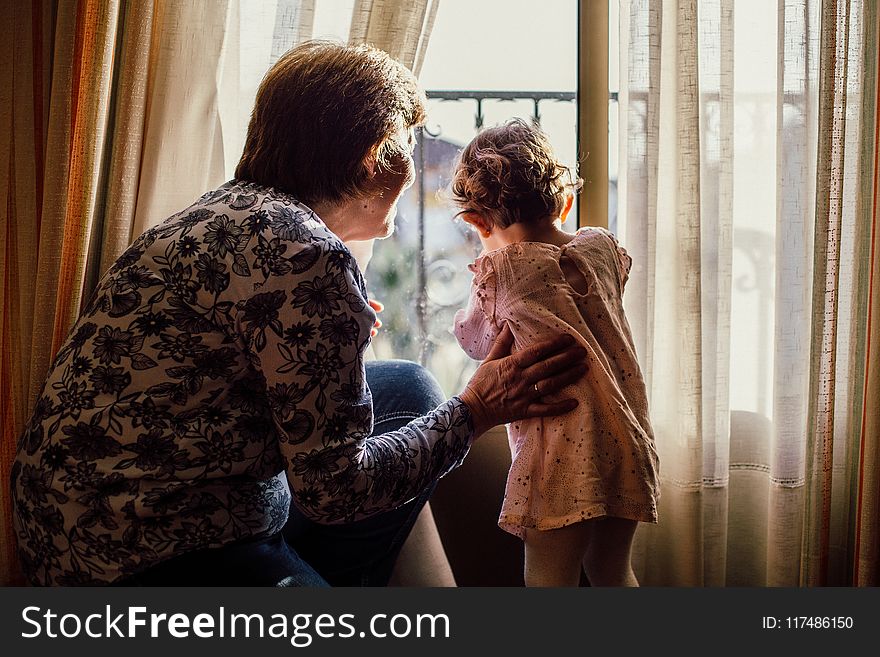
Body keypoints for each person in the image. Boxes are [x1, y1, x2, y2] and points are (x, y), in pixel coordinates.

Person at [10, 42, 588, 587]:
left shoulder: (218, 213)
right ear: (372, 157)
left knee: (408, 387)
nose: (411, 170)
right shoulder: (309, 256)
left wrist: (333, 339)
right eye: (406, 149)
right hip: (156, 555)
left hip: (63, 524)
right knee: (420, 421)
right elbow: (335, 489)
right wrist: (479, 408)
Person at [450, 118, 660, 587]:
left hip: (560, 455)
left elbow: (479, 342)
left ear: (476, 222)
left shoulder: (500, 269)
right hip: (624, 436)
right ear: (565, 201)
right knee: (612, 570)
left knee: (549, 579)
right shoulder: (601, 247)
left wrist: (471, 309)